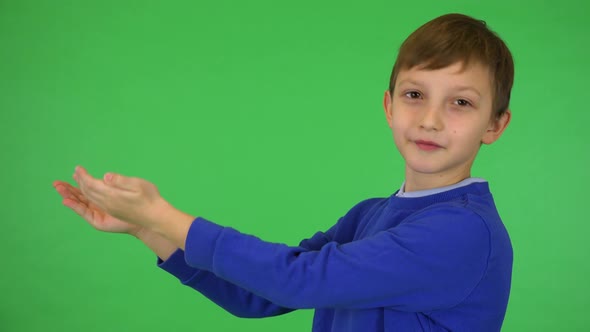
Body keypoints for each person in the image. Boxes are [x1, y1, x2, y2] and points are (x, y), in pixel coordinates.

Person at [53, 12, 514, 332]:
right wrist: (144, 228)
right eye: (415, 94)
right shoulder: (371, 215)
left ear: (494, 125)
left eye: (461, 103)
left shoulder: (464, 231)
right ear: (389, 105)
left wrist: (162, 215)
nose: (431, 119)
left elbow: (299, 280)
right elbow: (261, 295)